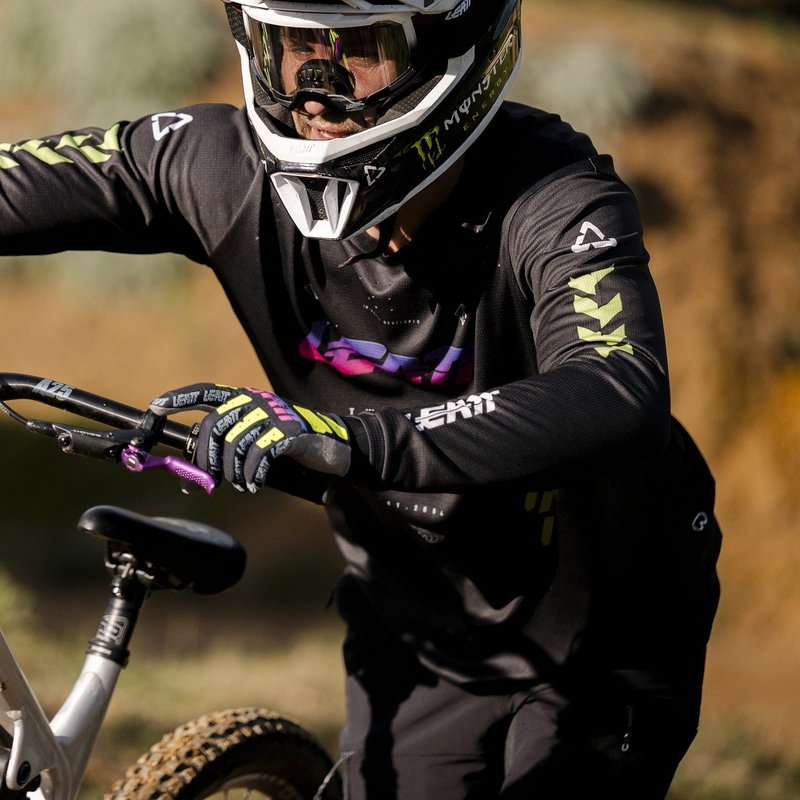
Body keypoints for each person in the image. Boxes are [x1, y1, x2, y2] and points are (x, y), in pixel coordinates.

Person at [0, 0, 721, 797]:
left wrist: (352, 440)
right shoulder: (216, 165)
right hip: (417, 612)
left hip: (607, 619)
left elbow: (617, 388)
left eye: (358, 54)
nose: (314, 93)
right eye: (291, 48)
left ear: (453, 53)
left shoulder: (556, 195)